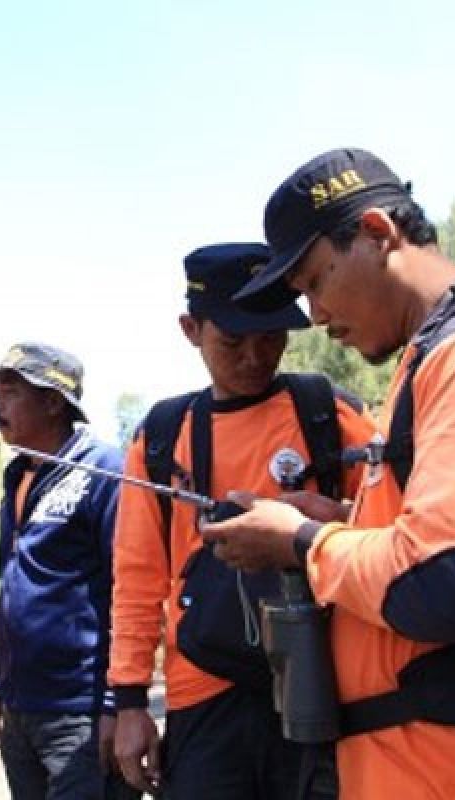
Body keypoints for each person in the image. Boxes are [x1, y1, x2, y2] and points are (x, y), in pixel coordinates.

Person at [205, 148, 455, 798]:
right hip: (434, 765)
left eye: (315, 282)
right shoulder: (432, 359)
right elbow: (440, 541)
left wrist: (301, 541)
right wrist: (342, 523)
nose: (317, 317)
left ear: (378, 234)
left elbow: (447, 584)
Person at [108, 243, 377, 799]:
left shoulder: (329, 414)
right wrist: (130, 700)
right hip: (202, 699)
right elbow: (137, 576)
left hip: (322, 687)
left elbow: (394, 531)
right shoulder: (161, 436)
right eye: (233, 341)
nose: (256, 356)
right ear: (191, 329)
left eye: (271, 337)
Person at [0, 343, 134, 799]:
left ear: (52, 401)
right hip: (23, 710)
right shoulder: (19, 477)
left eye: (10, 391)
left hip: (80, 712)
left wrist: (117, 703)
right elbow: (11, 588)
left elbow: (130, 590)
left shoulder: (105, 472)